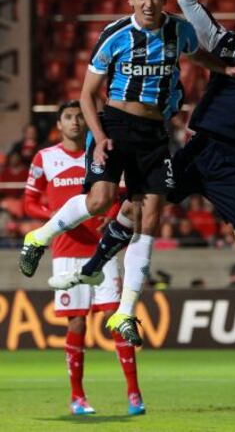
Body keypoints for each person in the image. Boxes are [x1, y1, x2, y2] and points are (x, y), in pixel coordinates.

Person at [47, 0, 235, 367]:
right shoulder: (219, 43)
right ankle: (92, 269)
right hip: (197, 148)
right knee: (134, 207)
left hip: (234, 161)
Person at [19, 0, 235, 346]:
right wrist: (98, 139)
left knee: (150, 216)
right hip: (114, 124)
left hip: (154, 133)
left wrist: (224, 69)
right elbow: (87, 94)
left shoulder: (178, 31)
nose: (148, 3)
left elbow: (195, 55)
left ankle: (124, 313)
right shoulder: (115, 35)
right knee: (100, 200)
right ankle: (37, 238)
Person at [23, 101, 145, 416]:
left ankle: (134, 394)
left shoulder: (102, 153)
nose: (76, 122)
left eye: (80, 116)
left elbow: (123, 196)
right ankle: (77, 397)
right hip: (65, 251)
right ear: (59, 125)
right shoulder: (45, 158)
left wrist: (114, 215)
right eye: (68, 117)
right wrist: (55, 217)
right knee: (77, 322)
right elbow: (29, 201)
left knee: (116, 319)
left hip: (103, 248)